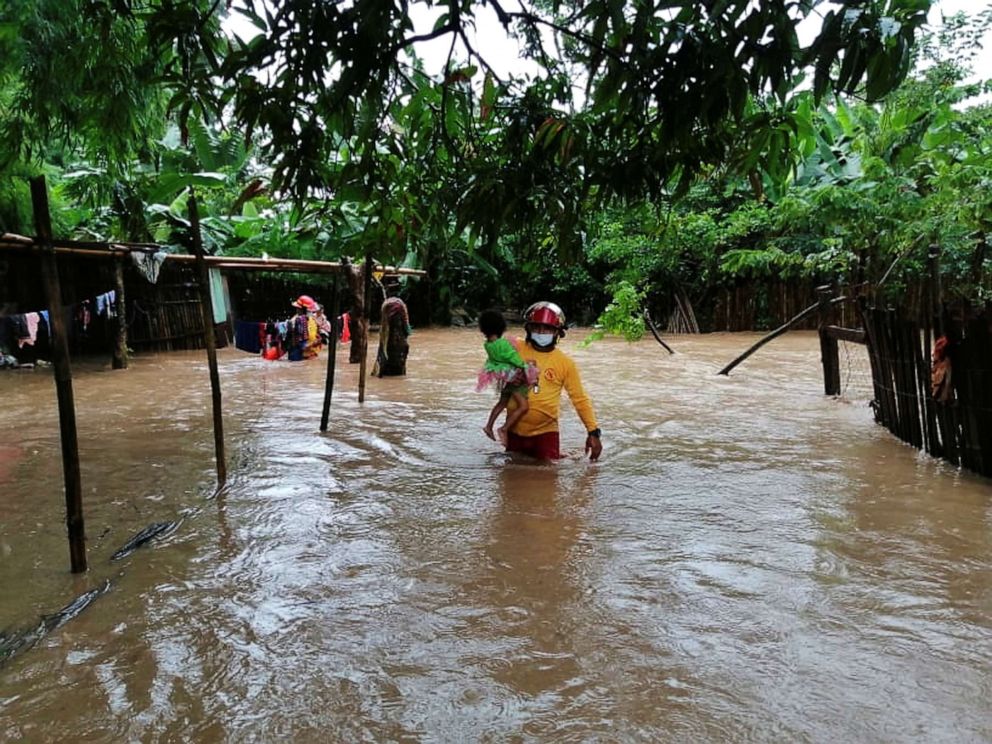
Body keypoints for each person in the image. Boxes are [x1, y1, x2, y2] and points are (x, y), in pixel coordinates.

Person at [504, 301, 602, 461]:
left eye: (548, 328)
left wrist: (593, 432)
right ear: (528, 329)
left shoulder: (565, 363)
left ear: (558, 332)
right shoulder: (515, 347)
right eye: (536, 327)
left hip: (546, 433)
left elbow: (580, 399)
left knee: (548, 478)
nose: (541, 332)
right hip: (513, 431)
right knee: (510, 475)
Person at [475, 309, 539, 444]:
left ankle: (488, 426)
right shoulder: (503, 343)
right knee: (524, 406)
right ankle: (504, 428)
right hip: (514, 380)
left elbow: (494, 361)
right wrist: (526, 366)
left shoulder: (488, 345)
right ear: (501, 327)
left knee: (501, 403)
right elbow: (513, 358)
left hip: (505, 379)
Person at [371, 284, 411, 377]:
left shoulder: (385, 335)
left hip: (393, 347)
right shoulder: (400, 308)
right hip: (399, 348)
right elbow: (407, 330)